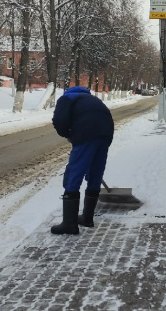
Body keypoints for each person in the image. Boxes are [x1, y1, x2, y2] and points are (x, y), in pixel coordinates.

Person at [50, 86, 114, 235]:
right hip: (106, 133)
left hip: (86, 133)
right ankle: (87, 218)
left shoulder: (67, 98)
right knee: (95, 172)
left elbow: (59, 120)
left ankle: (69, 224)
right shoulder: (92, 99)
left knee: (74, 173)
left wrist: (67, 134)